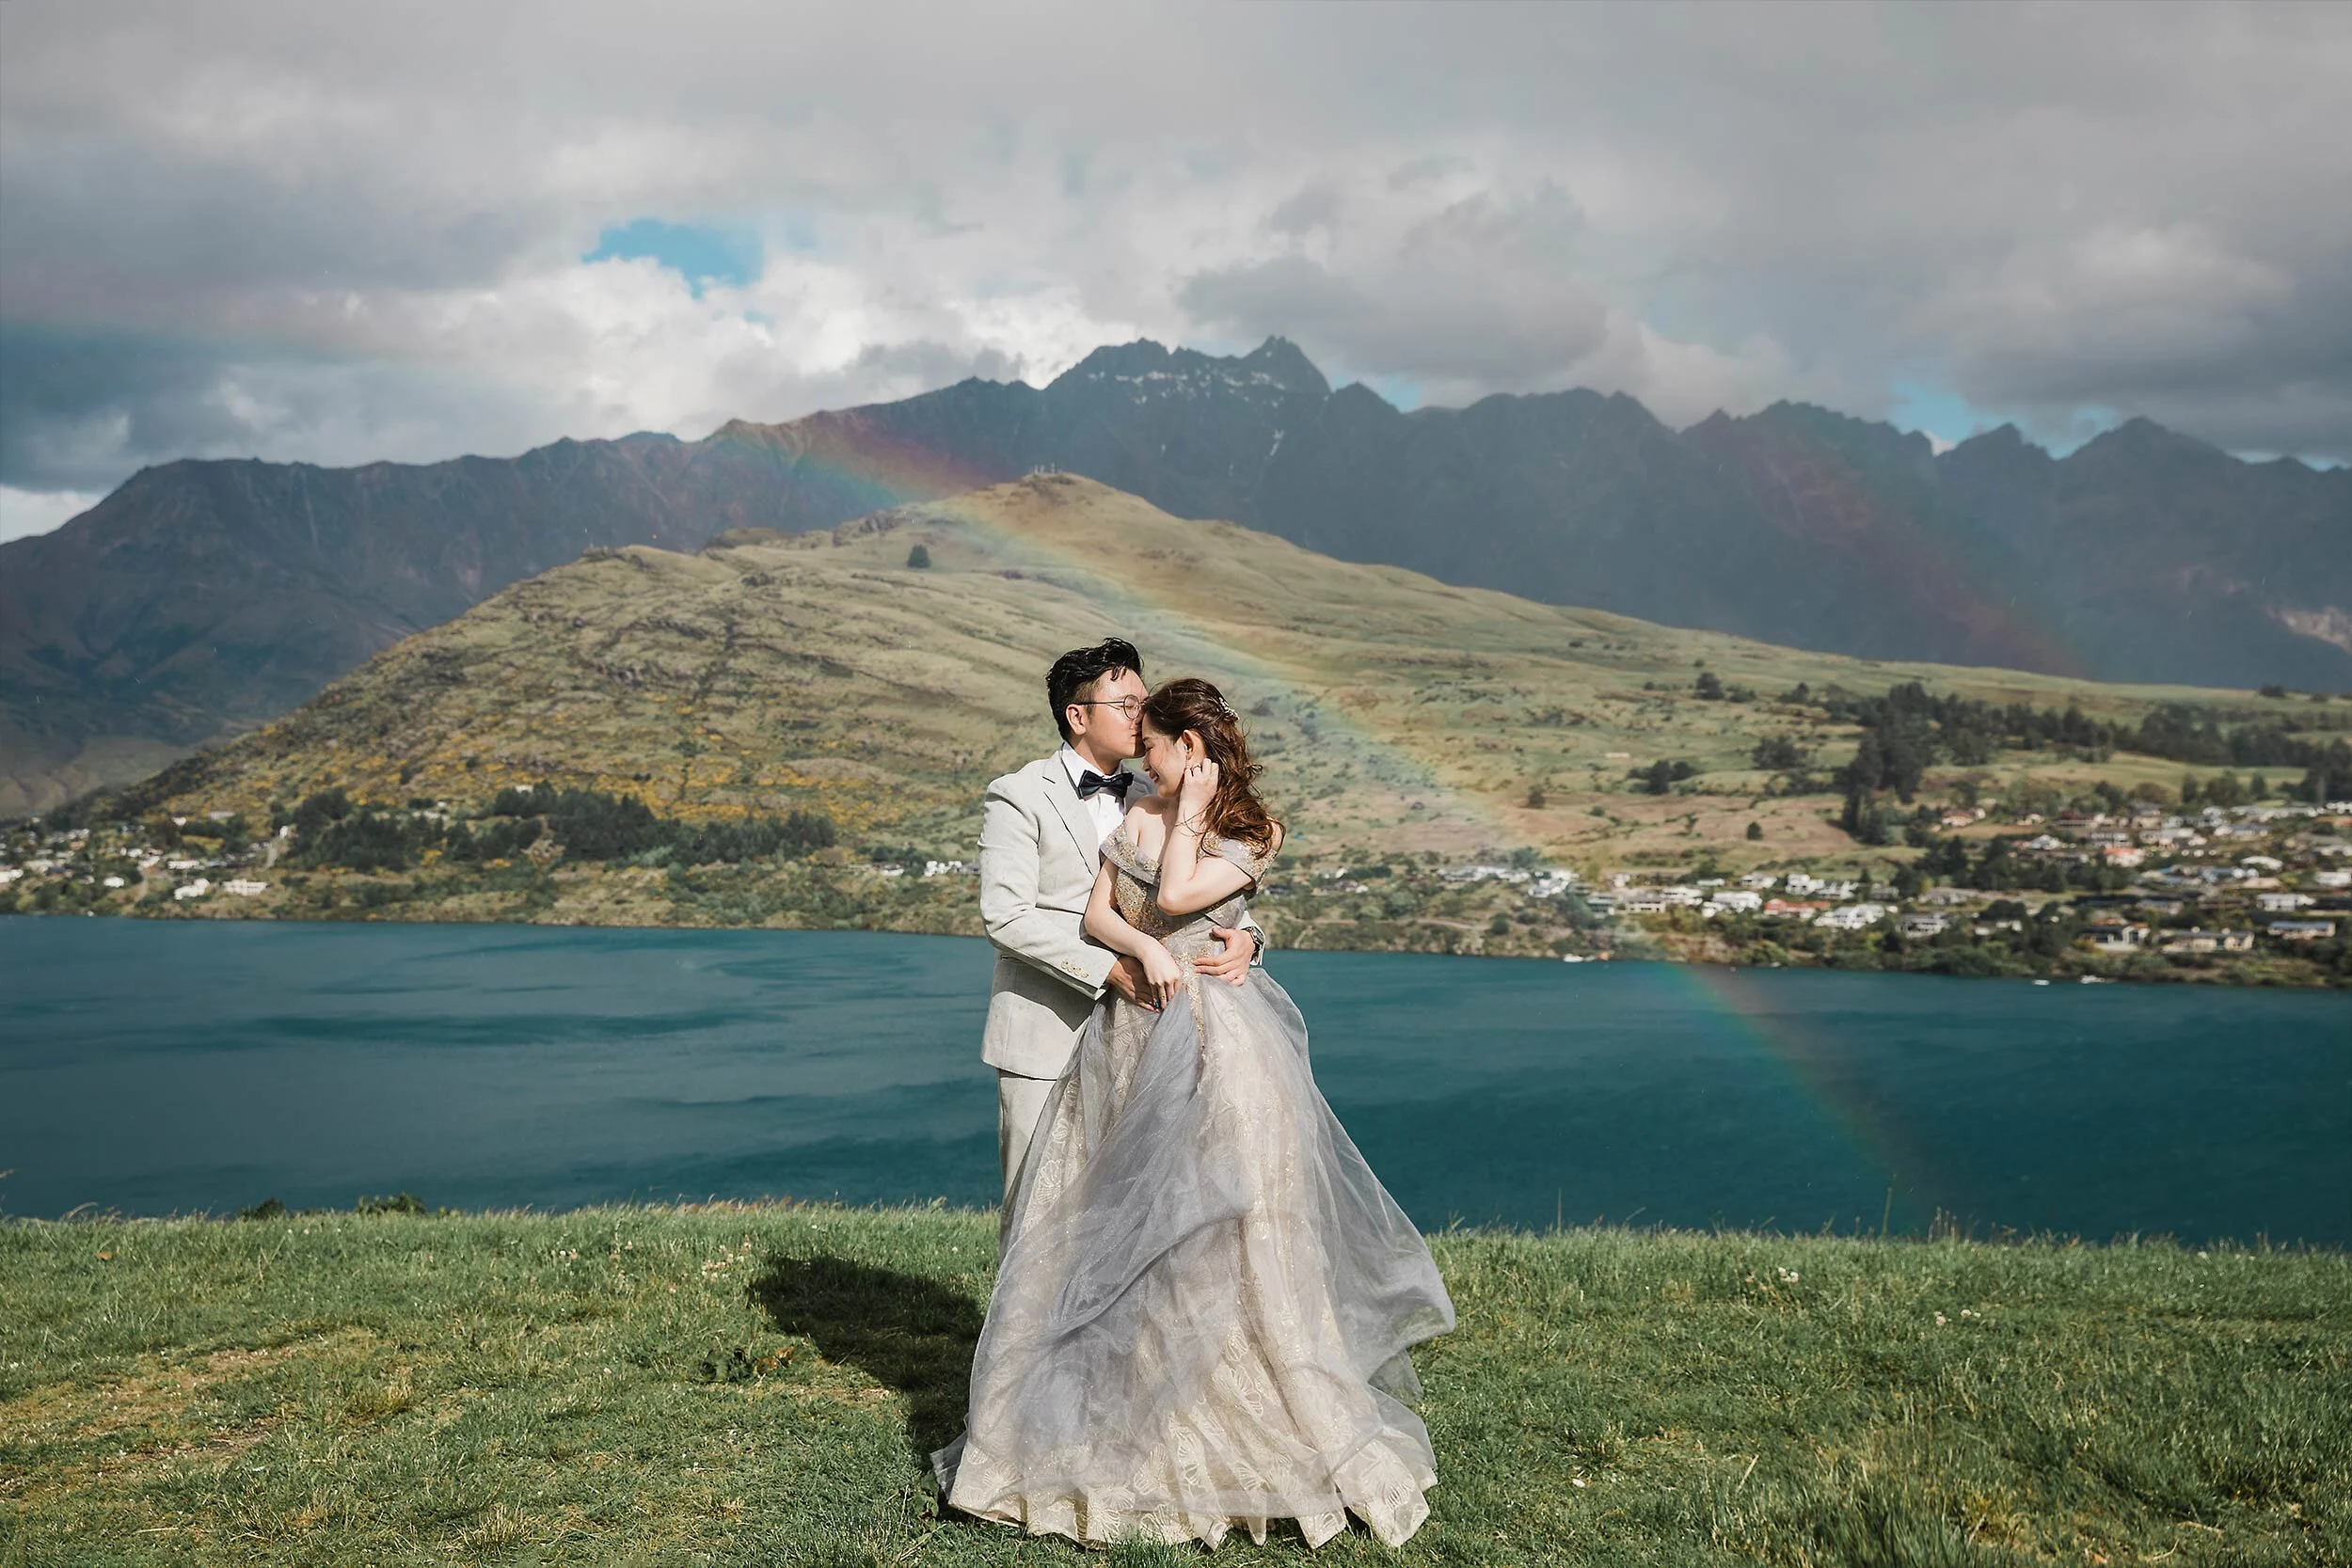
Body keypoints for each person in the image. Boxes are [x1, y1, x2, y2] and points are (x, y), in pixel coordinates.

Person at [936, 677, 1455, 1550]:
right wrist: (1139, 943)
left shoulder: (1253, 829)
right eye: (1132, 724)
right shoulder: (1136, 809)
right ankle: (1098, 1400)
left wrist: (1219, 887)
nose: (1143, 746)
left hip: (1221, 1039)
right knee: (1117, 1222)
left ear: (1196, 750)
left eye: (1159, 736)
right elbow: (1108, 912)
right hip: (1126, 1032)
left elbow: (1180, 897)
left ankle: (1250, 1398)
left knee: (1227, 1218)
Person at [976, 639, 1260, 1206]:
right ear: (1077, 716)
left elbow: (1207, 892)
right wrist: (1108, 969)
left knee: (1130, 1212)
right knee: (1038, 1206)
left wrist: (1249, 940)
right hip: (1047, 1032)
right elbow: (1006, 915)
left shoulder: (1159, 790)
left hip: (1148, 1039)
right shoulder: (1018, 795)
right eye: (1125, 704)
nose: (1142, 713)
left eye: (1143, 701)